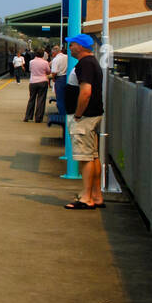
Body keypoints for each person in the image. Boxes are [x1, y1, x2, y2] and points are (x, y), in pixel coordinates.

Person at [63, 34, 105, 209]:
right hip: (91, 115)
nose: (69, 47)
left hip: (84, 117)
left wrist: (78, 114)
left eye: (71, 44)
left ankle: (86, 198)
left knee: (85, 158)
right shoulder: (92, 62)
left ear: (80, 46)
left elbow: (86, 92)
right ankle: (95, 195)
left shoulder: (85, 64)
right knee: (93, 156)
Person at [24, 49, 51, 122]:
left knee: (31, 99)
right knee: (41, 100)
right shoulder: (45, 62)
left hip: (33, 82)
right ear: (43, 55)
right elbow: (48, 72)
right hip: (42, 82)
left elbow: (30, 70)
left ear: (35, 54)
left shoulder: (31, 62)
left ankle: (28, 116)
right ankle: (38, 118)